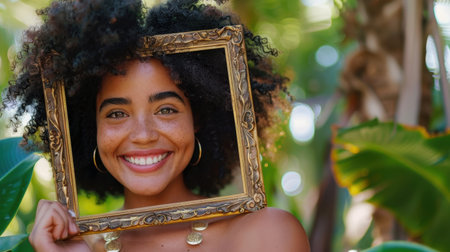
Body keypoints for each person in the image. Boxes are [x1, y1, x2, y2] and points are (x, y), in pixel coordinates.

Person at [2, 0, 310, 251]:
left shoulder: (266, 235)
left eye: (166, 109)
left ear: (198, 118)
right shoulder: (74, 247)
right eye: (116, 114)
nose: (144, 135)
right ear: (87, 128)